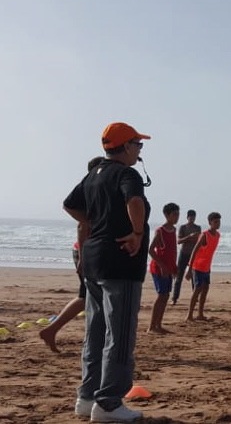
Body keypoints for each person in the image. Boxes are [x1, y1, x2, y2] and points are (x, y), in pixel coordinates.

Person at [62, 122, 151, 421]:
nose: (139, 150)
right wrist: (136, 232)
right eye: (137, 144)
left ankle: (87, 397)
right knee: (120, 334)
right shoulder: (127, 174)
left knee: (96, 332)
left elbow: (70, 205)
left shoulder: (94, 174)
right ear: (125, 146)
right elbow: (134, 200)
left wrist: (93, 221)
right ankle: (109, 403)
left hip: (94, 259)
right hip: (120, 262)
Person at [40, 156, 103, 353]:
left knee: (89, 297)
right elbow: (82, 226)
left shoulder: (94, 192)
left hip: (89, 250)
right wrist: (83, 258)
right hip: (86, 250)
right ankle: (52, 330)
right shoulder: (89, 193)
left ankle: (52, 330)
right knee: (87, 296)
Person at [147, 203, 180, 334]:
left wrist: (174, 267)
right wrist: (163, 266)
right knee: (161, 295)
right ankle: (151, 326)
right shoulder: (160, 231)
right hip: (159, 268)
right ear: (167, 215)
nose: (176, 217)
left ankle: (158, 325)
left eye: (178, 214)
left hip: (169, 268)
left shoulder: (174, 230)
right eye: (174, 214)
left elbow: (173, 250)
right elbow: (151, 250)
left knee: (166, 296)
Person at [186, 212, 222, 322]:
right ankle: (189, 315)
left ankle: (200, 314)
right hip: (198, 266)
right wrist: (189, 269)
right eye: (215, 222)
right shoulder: (204, 235)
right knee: (197, 290)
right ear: (210, 222)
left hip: (207, 267)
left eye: (219, 221)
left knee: (205, 290)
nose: (218, 224)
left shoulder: (218, 235)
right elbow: (194, 251)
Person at [171, 210, 200, 305]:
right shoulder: (183, 227)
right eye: (190, 217)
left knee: (194, 277)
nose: (192, 218)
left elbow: (199, 241)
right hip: (184, 253)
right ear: (187, 217)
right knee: (179, 276)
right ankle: (175, 298)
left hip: (193, 254)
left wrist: (195, 238)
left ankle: (195, 298)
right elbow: (179, 241)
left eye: (193, 217)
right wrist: (189, 237)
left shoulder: (197, 228)